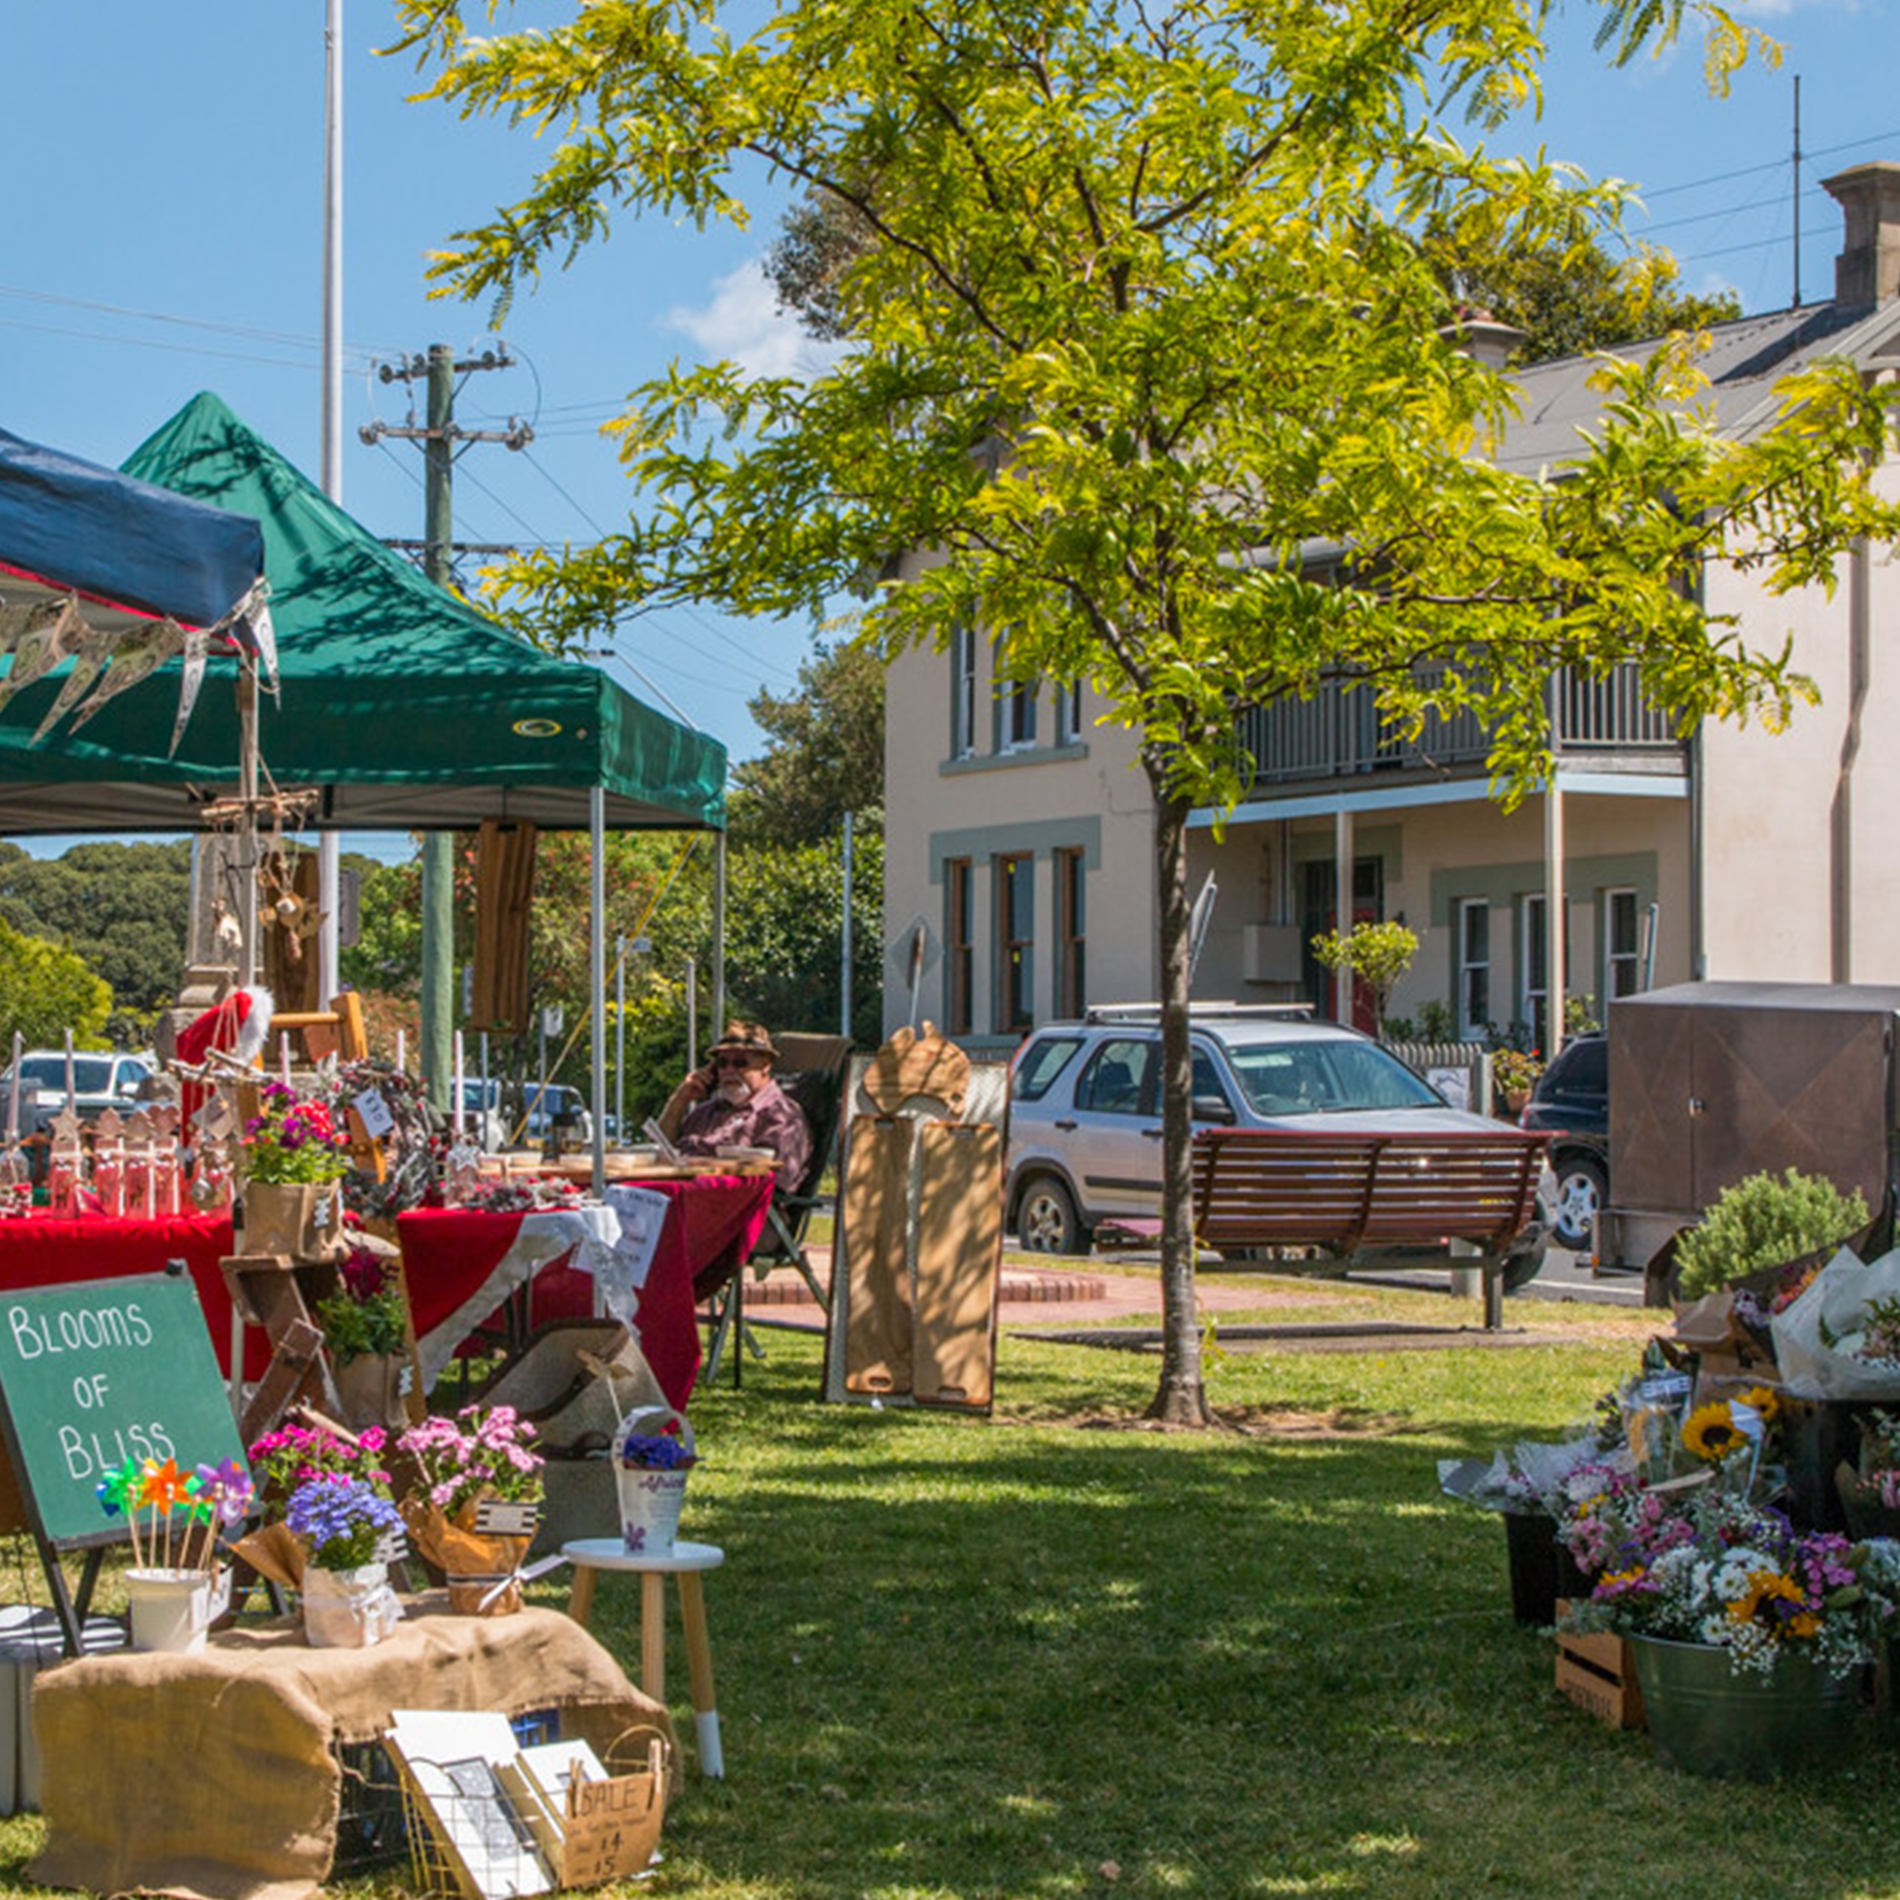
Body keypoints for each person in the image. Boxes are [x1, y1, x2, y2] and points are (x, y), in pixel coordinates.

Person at [658, 1021, 812, 1193]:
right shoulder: (705, 1112)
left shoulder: (783, 1116)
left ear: (765, 1065)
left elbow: (769, 1183)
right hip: (679, 1195)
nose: (729, 1070)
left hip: (728, 1205)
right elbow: (660, 1150)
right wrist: (680, 1099)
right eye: (722, 1064)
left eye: (740, 1063)